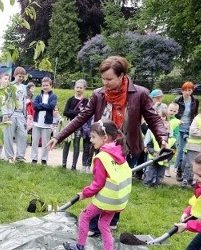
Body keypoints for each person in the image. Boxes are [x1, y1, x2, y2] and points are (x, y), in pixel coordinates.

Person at [47, 56, 168, 233]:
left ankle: (109, 222)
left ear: (122, 76)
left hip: (126, 149)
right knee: (102, 185)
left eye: (109, 79)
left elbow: (153, 119)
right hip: (104, 150)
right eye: (103, 79)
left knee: (117, 188)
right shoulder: (98, 94)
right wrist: (58, 136)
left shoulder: (140, 94)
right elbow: (82, 117)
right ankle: (98, 224)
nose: (105, 83)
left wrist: (162, 139)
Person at [63, 120, 131, 250]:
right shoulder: (119, 151)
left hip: (107, 199)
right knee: (104, 224)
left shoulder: (102, 157)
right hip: (119, 199)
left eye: (93, 137)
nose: (90, 140)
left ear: (105, 138)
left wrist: (84, 193)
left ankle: (79, 246)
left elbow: (98, 183)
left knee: (84, 216)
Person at [173, 82, 200, 182]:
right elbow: (173, 112)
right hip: (178, 126)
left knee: (184, 149)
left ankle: (179, 168)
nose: (188, 92)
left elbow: (195, 113)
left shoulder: (195, 101)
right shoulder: (177, 100)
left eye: (190, 90)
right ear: (182, 91)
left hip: (188, 127)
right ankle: (175, 167)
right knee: (178, 148)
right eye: (186, 90)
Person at [2, 67, 28, 162]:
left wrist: (25, 114)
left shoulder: (23, 87)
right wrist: (5, 114)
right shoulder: (9, 86)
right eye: (19, 76)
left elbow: (24, 101)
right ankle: (9, 156)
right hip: (10, 114)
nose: (21, 78)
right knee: (8, 136)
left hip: (20, 113)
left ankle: (20, 156)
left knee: (23, 135)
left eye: (22, 77)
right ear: (14, 75)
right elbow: (4, 100)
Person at [61, 79, 89, 170]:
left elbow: (85, 114)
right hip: (69, 125)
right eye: (77, 87)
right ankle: (63, 164)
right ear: (74, 88)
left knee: (76, 145)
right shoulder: (70, 100)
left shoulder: (86, 101)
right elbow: (65, 112)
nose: (79, 89)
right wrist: (78, 112)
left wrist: (73, 112)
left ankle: (74, 166)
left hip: (79, 126)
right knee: (67, 143)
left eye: (81, 87)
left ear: (84, 89)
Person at [144, 108, 176, 187]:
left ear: (169, 130)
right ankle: (147, 184)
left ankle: (158, 184)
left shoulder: (172, 140)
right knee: (150, 171)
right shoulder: (155, 138)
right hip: (153, 158)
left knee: (160, 174)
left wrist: (167, 159)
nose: (164, 130)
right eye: (163, 128)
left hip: (164, 161)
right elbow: (149, 145)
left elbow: (173, 151)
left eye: (166, 129)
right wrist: (153, 152)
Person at [30, 77, 58, 165]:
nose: (45, 87)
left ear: (50, 86)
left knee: (46, 143)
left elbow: (51, 106)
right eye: (43, 85)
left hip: (47, 123)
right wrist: (44, 105)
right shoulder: (38, 96)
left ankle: (44, 159)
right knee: (34, 142)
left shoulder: (53, 96)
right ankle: (34, 158)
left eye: (47, 85)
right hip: (37, 123)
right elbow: (35, 106)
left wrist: (41, 105)